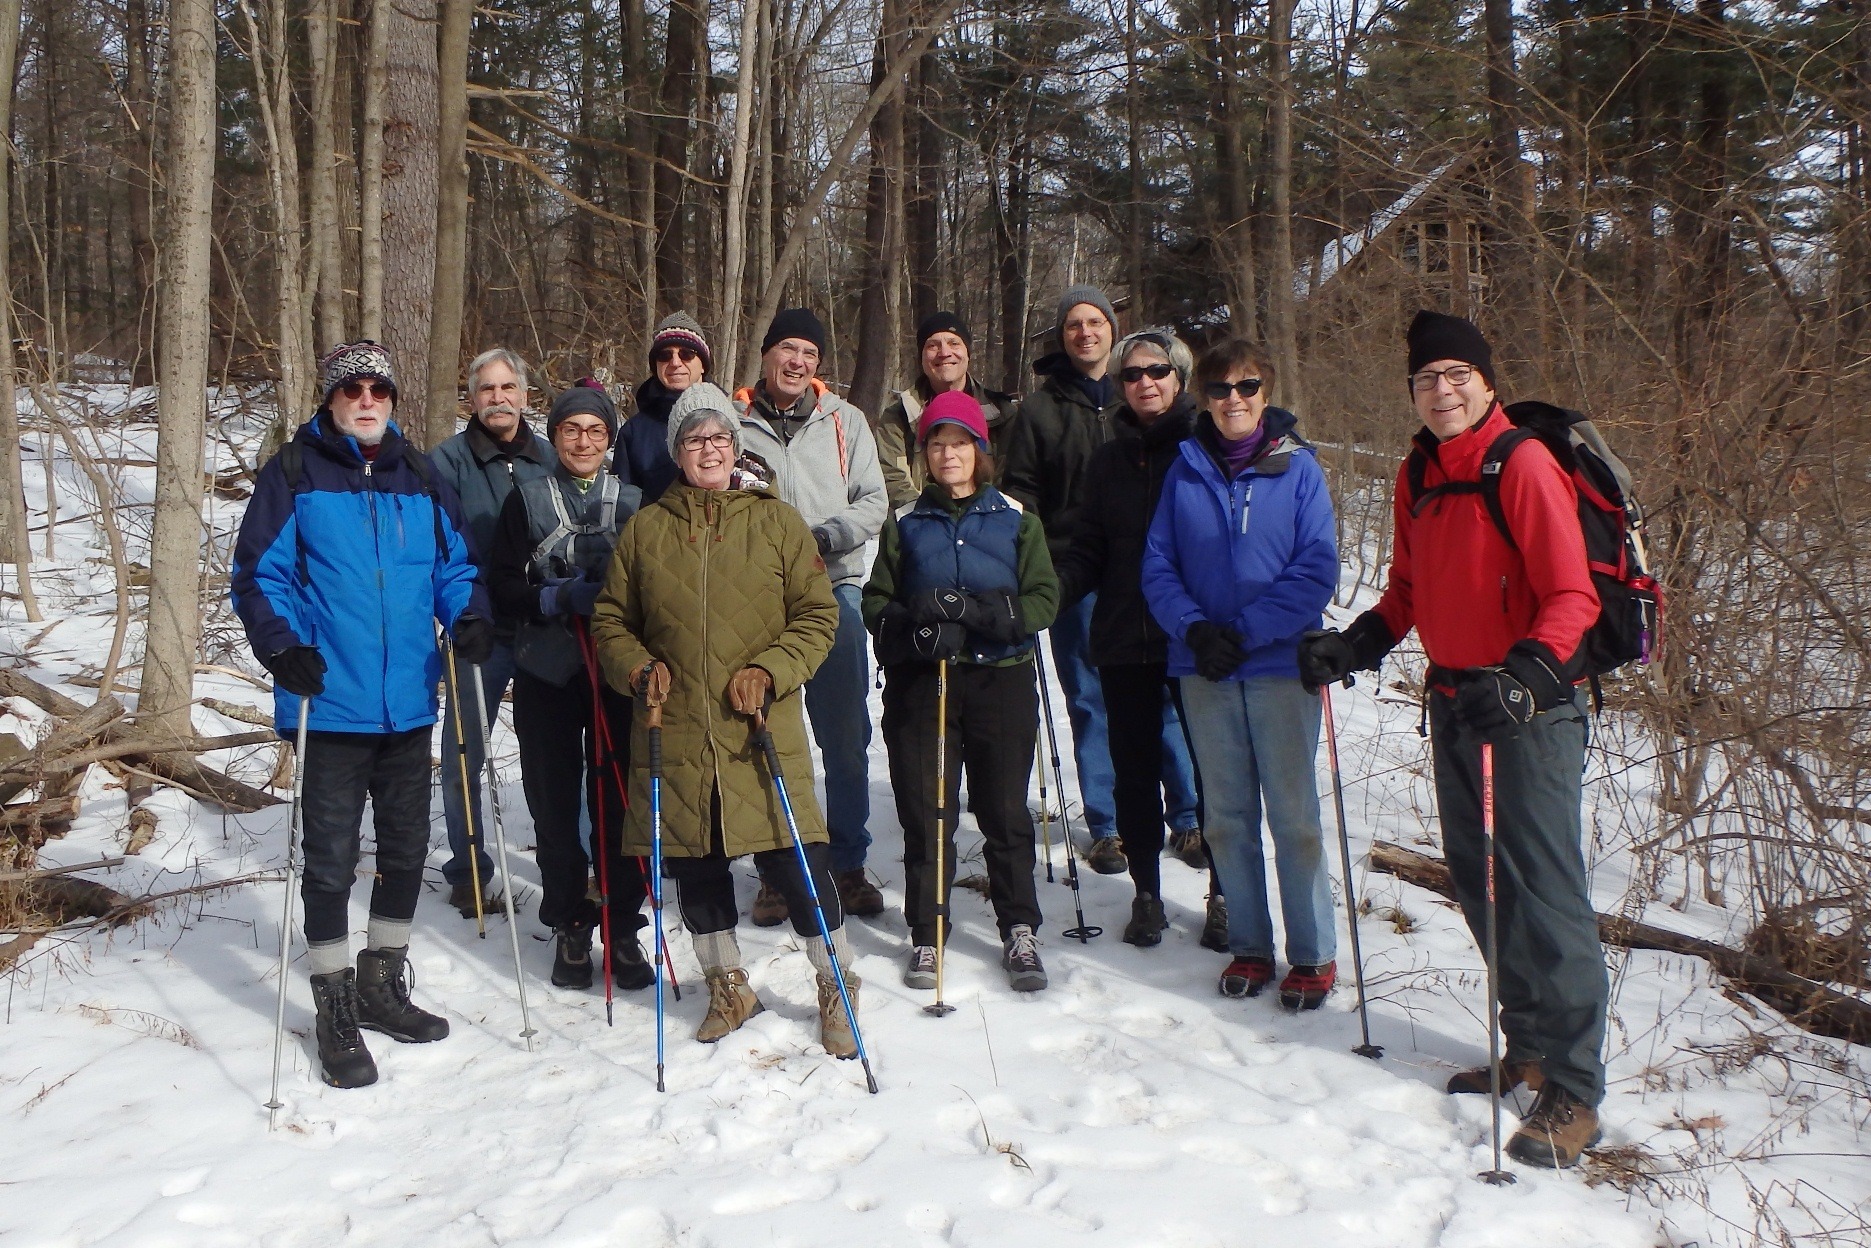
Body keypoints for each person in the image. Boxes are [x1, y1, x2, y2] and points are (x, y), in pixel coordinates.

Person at [1297, 311, 1607, 1170]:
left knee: (1544, 892)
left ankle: (1576, 1090)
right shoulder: (1418, 470)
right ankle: (1533, 1046)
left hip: (1528, 712)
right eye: (1427, 378)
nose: (1442, 391)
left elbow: (1571, 597)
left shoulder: (1523, 462)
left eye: (1455, 375)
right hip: (1454, 703)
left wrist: (1524, 680)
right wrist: (1356, 642)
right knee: (1480, 882)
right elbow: (1405, 588)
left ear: (1485, 381)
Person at [232, 340, 493, 1089]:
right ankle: (333, 1003)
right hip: (332, 701)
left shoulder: (420, 474)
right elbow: (258, 577)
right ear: (332, 400)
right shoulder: (295, 475)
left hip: (409, 702)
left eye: (379, 389)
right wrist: (282, 648)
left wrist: (467, 615)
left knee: (407, 849)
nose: (367, 400)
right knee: (331, 859)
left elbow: (455, 568)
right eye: (353, 391)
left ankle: (382, 982)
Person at [591, 381, 861, 1055]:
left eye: (718, 438)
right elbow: (611, 620)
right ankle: (727, 985)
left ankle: (836, 982)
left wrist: (770, 671)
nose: (707, 450)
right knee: (697, 868)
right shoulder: (647, 529)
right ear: (676, 451)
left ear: (734, 446)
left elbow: (817, 615)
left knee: (799, 863)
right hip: (676, 728)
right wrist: (635, 668)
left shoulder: (776, 521)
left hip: (758, 729)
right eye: (693, 439)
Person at [1140, 338, 1339, 1009]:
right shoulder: (1184, 469)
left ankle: (1310, 954)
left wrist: (1247, 634)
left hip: (1280, 664)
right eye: (1220, 389)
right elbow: (1157, 566)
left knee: (1294, 818)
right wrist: (1195, 630)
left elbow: (1315, 569)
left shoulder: (1299, 469)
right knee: (1225, 817)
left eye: (1247, 387)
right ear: (1202, 396)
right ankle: (1250, 945)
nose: (1233, 400)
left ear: (1266, 393)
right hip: (1203, 668)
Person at [1001, 286, 1203, 879]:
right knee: (1090, 700)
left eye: (1096, 322)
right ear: (1061, 336)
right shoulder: (1040, 410)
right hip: (1076, 573)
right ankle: (1107, 825)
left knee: (1169, 697)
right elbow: (1022, 493)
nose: (1085, 332)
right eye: (1073, 324)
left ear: (1114, 332)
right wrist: (1042, 567)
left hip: (1154, 575)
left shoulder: (1139, 406)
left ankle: (1187, 815)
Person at [863, 391, 1059, 993]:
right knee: (928, 812)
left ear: (981, 450)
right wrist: (915, 621)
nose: (949, 454)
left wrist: (986, 613)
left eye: (960, 442)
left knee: (1002, 810)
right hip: (927, 684)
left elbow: (1044, 599)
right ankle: (928, 931)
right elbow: (875, 603)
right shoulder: (904, 522)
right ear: (924, 453)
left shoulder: (1017, 518)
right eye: (937, 443)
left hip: (999, 679)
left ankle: (1019, 928)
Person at [486, 382, 653, 992]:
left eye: (595, 431)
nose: (582, 441)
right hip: (547, 669)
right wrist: (551, 595)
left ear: (610, 440)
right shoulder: (524, 500)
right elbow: (502, 583)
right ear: (553, 436)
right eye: (570, 430)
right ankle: (569, 921)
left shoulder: (635, 502)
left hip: (615, 673)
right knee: (555, 800)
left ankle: (623, 923)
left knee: (618, 797)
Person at [1055, 328, 1217, 947]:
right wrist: (1052, 593)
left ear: (1178, 380)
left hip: (1197, 637)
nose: (1144, 383)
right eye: (1131, 374)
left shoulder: (1205, 451)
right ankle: (1146, 894)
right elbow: (1087, 547)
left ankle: (1223, 895)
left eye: (1157, 372)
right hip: (1124, 635)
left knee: (1211, 772)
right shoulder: (1108, 460)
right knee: (1133, 773)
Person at [731, 308, 888, 924]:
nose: (797, 362)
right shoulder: (733, 422)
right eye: (787, 349)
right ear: (767, 354)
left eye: (809, 354)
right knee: (763, 735)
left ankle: (847, 862)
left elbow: (874, 500)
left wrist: (826, 536)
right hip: (757, 600)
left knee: (845, 736)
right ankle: (776, 870)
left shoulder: (845, 423)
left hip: (834, 591)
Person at [430, 347, 554, 917]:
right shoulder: (447, 464)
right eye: (487, 390)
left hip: (543, 628)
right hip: (480, 630)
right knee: (464, 756)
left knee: (553, 754)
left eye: (509, 388)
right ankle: (469, 869)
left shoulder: (550, 458)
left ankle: (569, 866)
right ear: (472, 399)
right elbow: (438, 550)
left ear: (525, 395)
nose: (499, 399)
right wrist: (463, 614)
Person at [871, 311, 1018, 508]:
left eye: (954, 343)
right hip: (921, 525)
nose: (944, 352)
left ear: (968, 353)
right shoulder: (897, 418)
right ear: (921, 357)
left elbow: (1011, 479)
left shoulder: (1002, 414)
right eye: (932, 345)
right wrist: (930, 520)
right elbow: (893, 480)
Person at [616, 312, 709, 505]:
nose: (675, 363)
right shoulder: (633, 433)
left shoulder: (732, 422)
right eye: (664, 355)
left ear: (703, 365)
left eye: (687, 354)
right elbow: (623, 509)